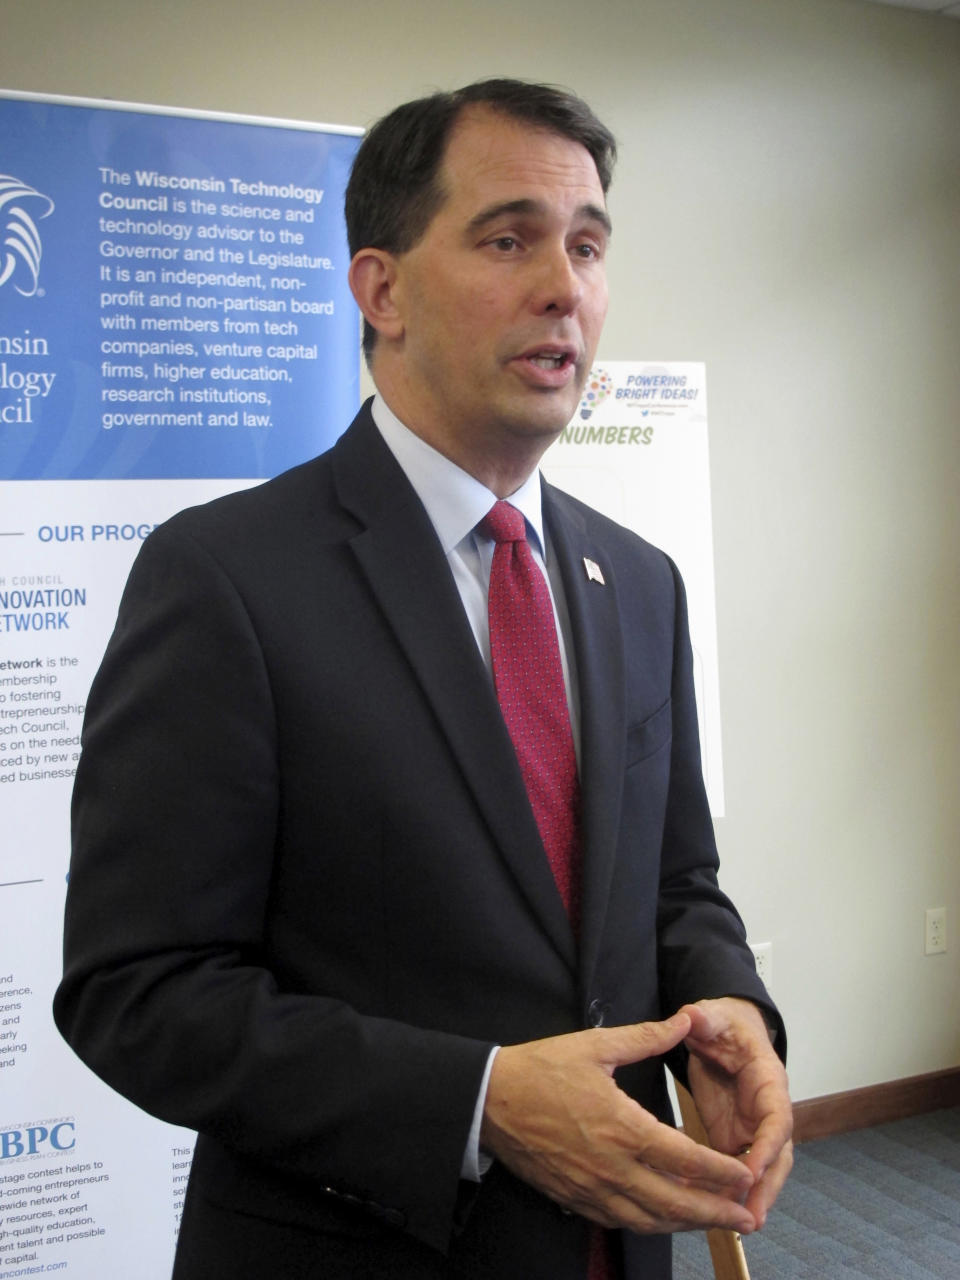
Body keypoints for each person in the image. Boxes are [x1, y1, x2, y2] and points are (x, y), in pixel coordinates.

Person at [55, 79, 792, 1280]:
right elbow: (137, 992)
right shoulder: (224, 576)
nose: (566, 286)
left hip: (626, 1243)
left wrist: (734, 1011)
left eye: (589, 245)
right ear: (381, 289)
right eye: (509, 239)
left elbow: (678, 885)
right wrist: (480, 1099)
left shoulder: (638, 579)